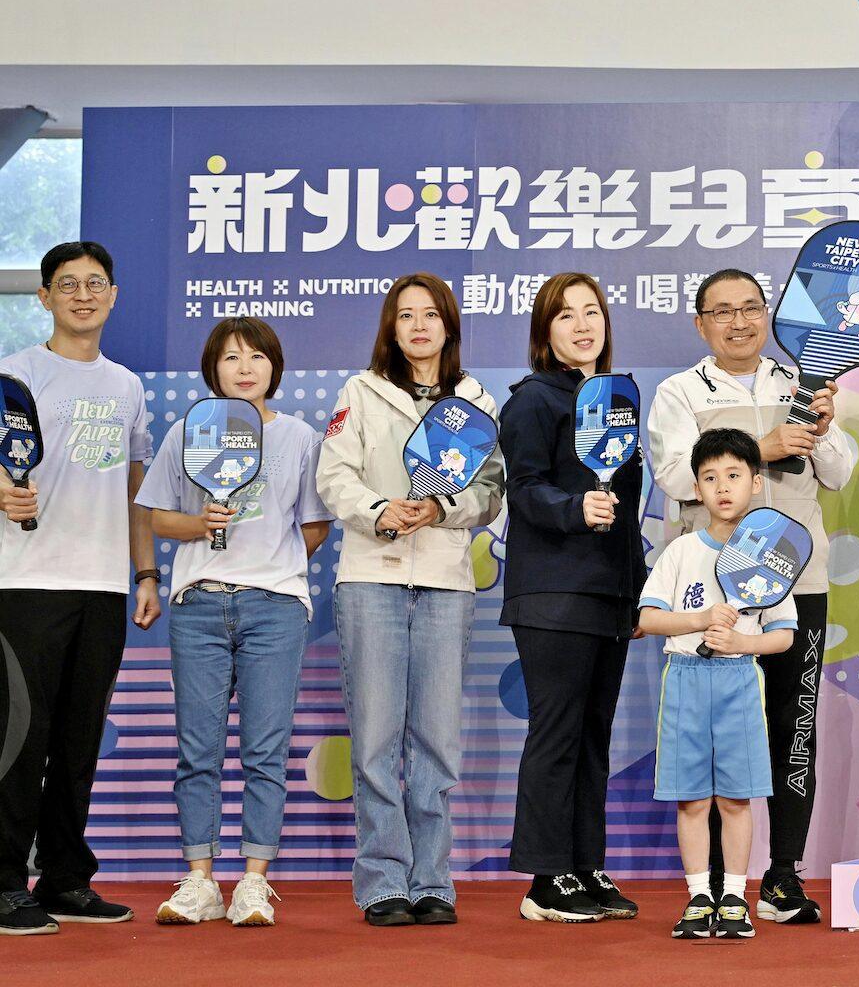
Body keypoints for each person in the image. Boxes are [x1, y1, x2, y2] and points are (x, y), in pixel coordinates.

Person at [645, 269, 854, 923]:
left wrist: (824, 426)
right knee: (713, 733)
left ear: (768, 315)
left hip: (798, 581)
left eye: (751, 308)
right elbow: (673, 475)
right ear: (700, 323)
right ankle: (715, 885)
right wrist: (761, 449)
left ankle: (783, 876)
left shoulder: (801, 382)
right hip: (712, 591)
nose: (739, 322)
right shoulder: (680, 391)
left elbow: (841, 471)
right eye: (722, 311)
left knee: (796, 725)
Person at [316, 273, 504, 926]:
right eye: (406, 316)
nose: (419, 326)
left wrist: (442, 508)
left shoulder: (476, 401)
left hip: (447, 581)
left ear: (449, 325)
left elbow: (491, 492)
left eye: (430, 315)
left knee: (437, 739)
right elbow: (333, 475)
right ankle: (382, 880)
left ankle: (432, 880)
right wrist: (380, 511)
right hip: (372, 574)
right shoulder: (360, 391)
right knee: (374, 737)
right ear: (390, 329)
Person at [137, 318, 332, 927]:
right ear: (212, 369)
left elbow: (316, 524)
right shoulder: (189, 430)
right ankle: (200, 881)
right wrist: (202, 525)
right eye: (230, 357)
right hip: (198, 606)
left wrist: (273, 562)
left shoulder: (299, 437)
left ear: (274, 366)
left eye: (256, 356)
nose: (244, 368)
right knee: (197, 749)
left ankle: (253, 881)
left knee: (264, 750)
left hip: (275, 608)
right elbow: (156, 516)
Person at [0, 241, 159, 937]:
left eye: (96, 284)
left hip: (102, 586)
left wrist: (145, 572)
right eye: (68, 284)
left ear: (113, 295)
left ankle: (65, 877)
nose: (83, 295)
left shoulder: (127, 386)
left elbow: (135, 487)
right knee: (19, 738)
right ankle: (5, 882)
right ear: (44, 297)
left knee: (78, 739)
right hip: (26, 582)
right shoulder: (15, 374)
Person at [499, 273, 644, 923]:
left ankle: (585, 864)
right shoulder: (534, 400)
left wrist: (636, 592)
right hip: (554, 595)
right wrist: (572, 508)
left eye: (592, 312)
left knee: (593, 737)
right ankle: (545, 877)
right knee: (557, 733)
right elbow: (524, 488)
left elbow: (630, 511)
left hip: (609, 597)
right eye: (565, 315)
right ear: (544, 330)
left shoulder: (615, 400)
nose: (582, 325)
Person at [638, 428, 797, 940]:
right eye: (710, 478)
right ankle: (698, 898)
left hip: (739, 682)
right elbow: (647, 618)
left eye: (734, 475)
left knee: (735, 798)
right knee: (691, 800)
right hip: (684, 680)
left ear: (755, 482)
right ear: (696, 489)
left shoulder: (769, 555)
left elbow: (783, 635)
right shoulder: (681, 551)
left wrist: (741, 643)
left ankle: (733, 897)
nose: (723, 487)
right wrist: (700, 619)